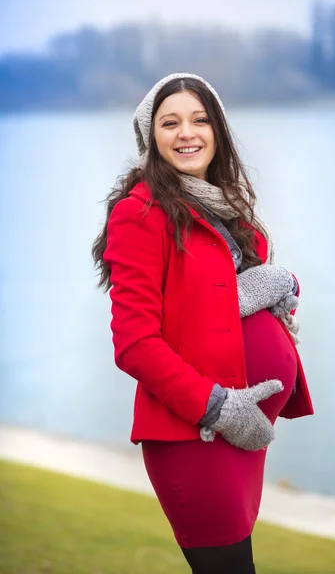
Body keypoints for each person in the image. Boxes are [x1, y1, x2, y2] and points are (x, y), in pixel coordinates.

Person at [92, 73, 314, 574]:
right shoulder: (140, 214)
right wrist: (219, 408)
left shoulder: (225, 208)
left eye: (200, 119)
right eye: (170, 123)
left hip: (242, 435)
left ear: (219, 130)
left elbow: (217, 298)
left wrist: (279, 283)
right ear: (153, 139)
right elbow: (134, 344)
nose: (186, 132)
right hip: (199, 434)